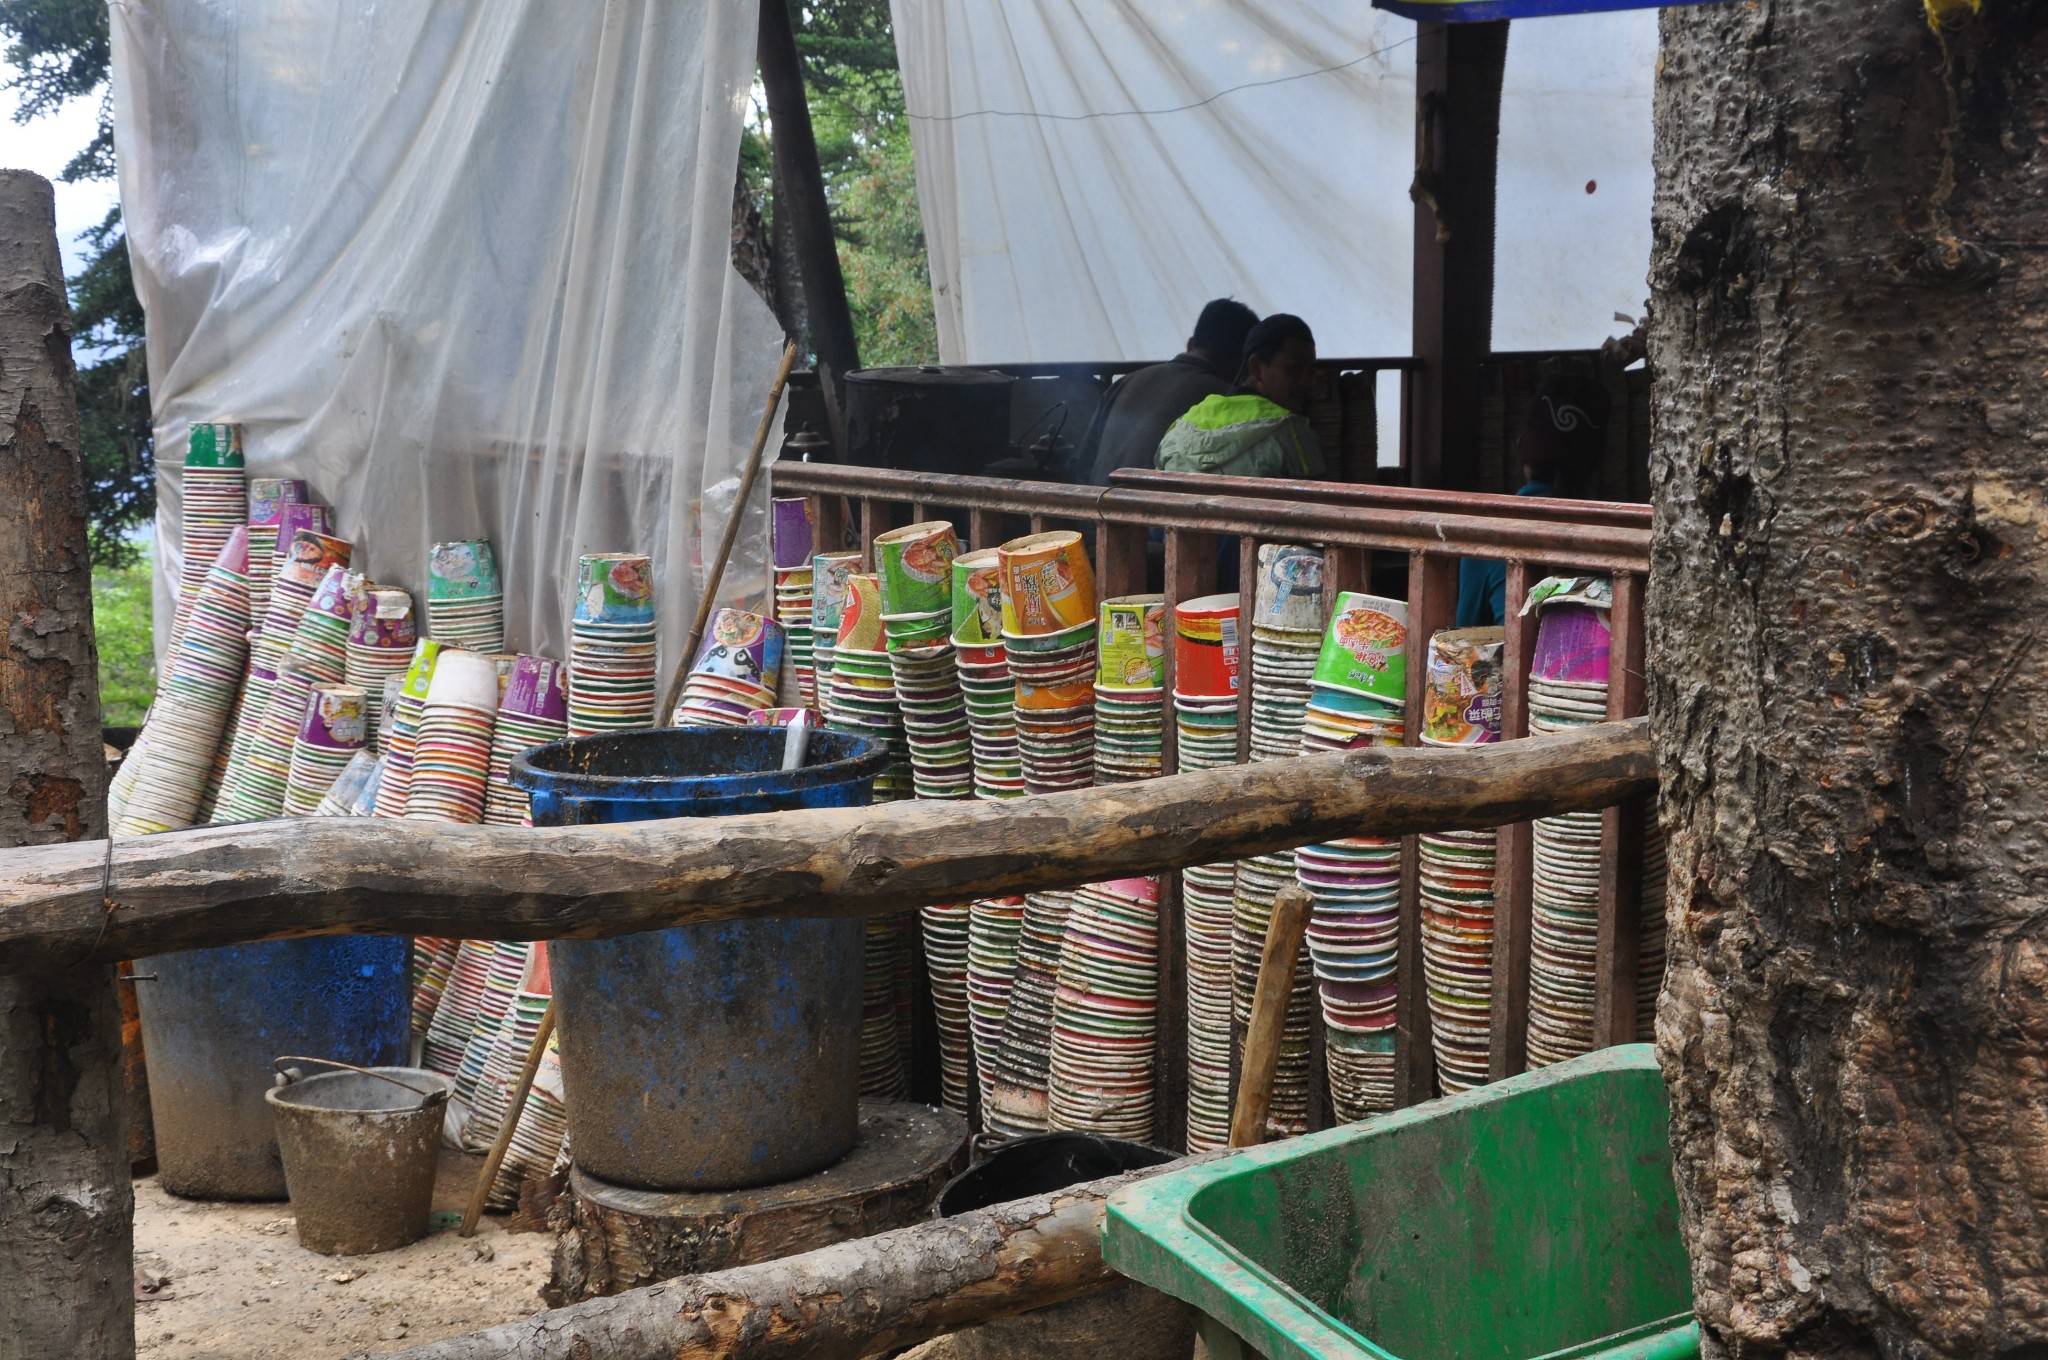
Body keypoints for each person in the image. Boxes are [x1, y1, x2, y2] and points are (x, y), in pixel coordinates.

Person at [1455, 372, 1614, 628]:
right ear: (1599, 460)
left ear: (1520, 449)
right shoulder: (1615, 534)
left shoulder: (1483, 533)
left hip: (1508, 668)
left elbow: (1465, 635)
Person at [1081, 299, 1260, 486]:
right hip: (1158, 512)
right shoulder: (1229, 399)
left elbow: (1083, 465)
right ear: (1245, 363)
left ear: (1190, 343)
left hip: (1097, 506)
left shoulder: (1126, 382)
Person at [1153, 313, 1326, 480]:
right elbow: (1318, 504)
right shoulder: (1292, 431)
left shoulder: (1182, 426)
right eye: (1294, 368)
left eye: (1311, 372)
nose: (1306, 382)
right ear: (1256, 368)